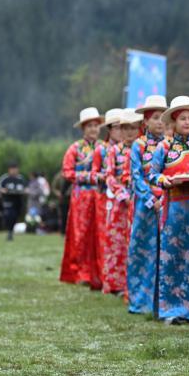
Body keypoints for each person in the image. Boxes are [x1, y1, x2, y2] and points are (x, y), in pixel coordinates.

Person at [150, 97, 189, 322]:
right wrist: (164, 180)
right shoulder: (164, 147)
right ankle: (170, 309)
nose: (187, 122)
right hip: (173, 207)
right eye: (182, 118)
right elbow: (153, 174)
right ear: (173, 122)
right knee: (171, 256)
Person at [126, 95, 168, 315]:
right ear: (145, 121)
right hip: (145, 205)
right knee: (142, 250)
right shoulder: (139, 145)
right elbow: (136, 176)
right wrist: (152, 200)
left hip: (168, 202)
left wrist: (164, 198)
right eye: (155, 117)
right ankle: (140, 301)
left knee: (166, 250)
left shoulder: (171, 143)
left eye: (162, 117)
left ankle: (163, 300)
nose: (160, 122)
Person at [59, 107, 103, 285]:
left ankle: (97, 272)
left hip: (100, 195)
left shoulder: (104, 147)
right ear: (83, 128)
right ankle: (80, 272)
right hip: (81, 196)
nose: (93, 129)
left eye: (96, 125)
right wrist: (88, 176)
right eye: (89, 126)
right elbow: (67, 172)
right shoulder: (75, 148)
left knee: (99, 233)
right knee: (81, 234)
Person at [102, 108, 141, 295]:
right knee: (117, 243)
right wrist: (122, 194)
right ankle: (116, 284)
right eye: (125, 128)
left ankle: (135, 284)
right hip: (121, 203)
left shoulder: (143, 148)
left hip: (140, 200)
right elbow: (109, 176)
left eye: (133, 128)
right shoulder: (114, 151)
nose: (129, 132)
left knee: (137, 241)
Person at [92, 108, 123, 287]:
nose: (120, 131)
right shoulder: (101, 150)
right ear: (110, 129)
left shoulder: (129, 147)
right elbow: (94, 173)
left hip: (123, 196)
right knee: (105, 236)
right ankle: (105, 276)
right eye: (117, 127)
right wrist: (105, 176)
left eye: (123, 127)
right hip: (105, 197)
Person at [0, 162, 28, 241]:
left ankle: (10, 230)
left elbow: (26, 188)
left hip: (18, 201)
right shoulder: (5, 178)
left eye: (15, 169)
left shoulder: (21, 179)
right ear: (9, 170)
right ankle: (9, 231)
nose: (14, 171)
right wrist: (5, 191)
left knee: (15, 217)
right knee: (9, 215)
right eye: (12, 169)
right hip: (8, 201)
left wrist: (24, 191)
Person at [51, 170, 72, 235]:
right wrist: (58, 194)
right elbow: (54, 187)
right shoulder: (58, 176)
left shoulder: (72, 174)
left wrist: (70, 192)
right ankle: (63, 231)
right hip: (62, 200)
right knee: (63, 216)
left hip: (72, 199)